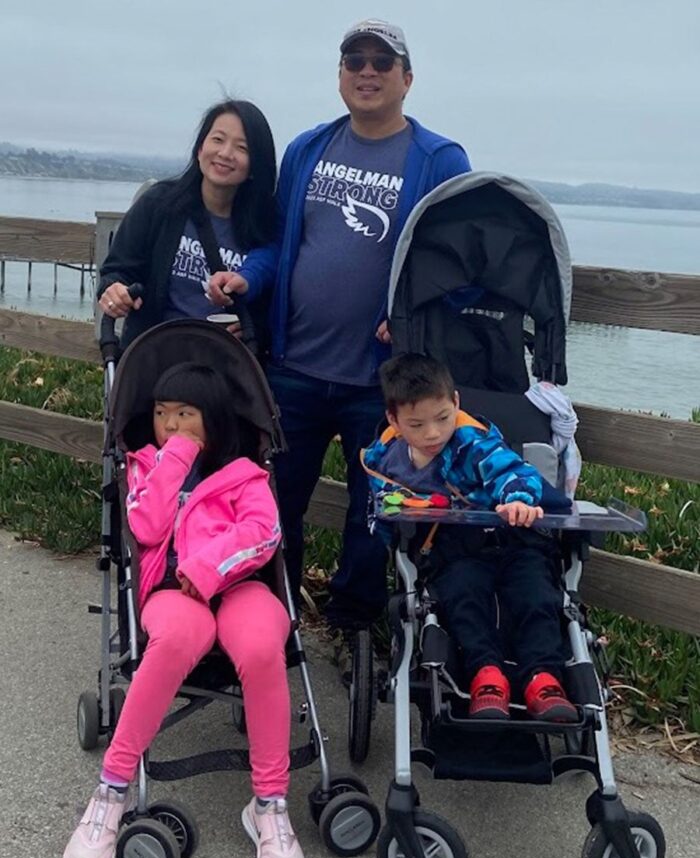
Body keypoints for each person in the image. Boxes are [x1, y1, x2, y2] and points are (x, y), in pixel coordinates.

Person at [251, 19, 472, 637]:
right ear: (341, 75)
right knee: (272, 505)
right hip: (291, 370)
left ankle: (353, 630)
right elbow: (275, 241)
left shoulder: (439, 159)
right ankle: (272, 622)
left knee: (372, 516)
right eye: (355, 60)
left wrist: (409, 316)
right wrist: (246, 277)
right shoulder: (306, 149)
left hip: (378, 386)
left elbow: (462, 265)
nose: (367, 71)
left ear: (407, 78)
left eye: (382, 61)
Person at [62, 363, 307, 858]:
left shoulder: (245, 473)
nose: (170, 424)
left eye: (185, 415)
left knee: (265, 642)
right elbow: (147, 526)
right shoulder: (145, 464)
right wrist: (177, 455)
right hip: (172, 592)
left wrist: (209, 567)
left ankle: (269, 803)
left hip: (237, 584)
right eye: (160, 413)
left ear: (212, 418)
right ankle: (112, 788)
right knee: (175, 638)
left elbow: (263, 533)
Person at [362, 353, 578, 723]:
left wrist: (517, 500)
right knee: (463, 595)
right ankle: (486, 675)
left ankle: (544, 678)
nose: (432, 433)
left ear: (456, 404)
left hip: (514, 538)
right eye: (417, 424)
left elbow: (513, 472)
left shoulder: (473, 442)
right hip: (454, 550)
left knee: (537, 595)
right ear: (394, 421)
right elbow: (382, 505)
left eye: (442, 418)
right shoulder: (386, 457)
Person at [98, 99, 277, 349]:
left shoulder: (265, 226)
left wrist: (253, 329)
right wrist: (114, 291)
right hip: (153, 361)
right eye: (217, 140)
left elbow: (275, 307)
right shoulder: (159, 204)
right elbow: (117, 270)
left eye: (242, 147)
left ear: (255, 165)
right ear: (200, 148)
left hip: (225, 370)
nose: (225, 153)